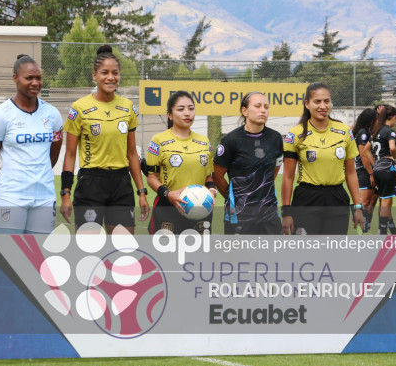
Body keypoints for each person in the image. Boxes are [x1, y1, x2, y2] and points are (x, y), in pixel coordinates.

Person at [60, 45, 149, 233]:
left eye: (115, 73)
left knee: (123, 249)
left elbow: (132, 153)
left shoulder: (127, 107)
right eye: (105, 72)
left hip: (121, 184)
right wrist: (65, 193)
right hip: (91, 183)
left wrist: (141, 191)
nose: (110, 77)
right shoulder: (80, 107)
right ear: (94, 75)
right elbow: (69, 154)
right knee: (88, 249)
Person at [0, 55, 63, 234]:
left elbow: (54, 152)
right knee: (10, 256)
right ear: (15, 78)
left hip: (44, 198)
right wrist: (7, 184)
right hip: (10, 199)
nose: (35, 83)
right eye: (29, 78)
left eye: (39, 78)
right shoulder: (1, 115)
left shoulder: (52, 114)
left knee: (37, 258)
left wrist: (39, 176)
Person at [281, 83, 363, 235]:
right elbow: (288, 176)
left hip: (337, 198)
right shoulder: (295, 134)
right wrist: (286, 212)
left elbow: (351, 173)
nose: (323, 106)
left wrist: (358, 206)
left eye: (326, 101)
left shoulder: (344, 131)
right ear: (307, 104)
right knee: (307, 253)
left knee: (334, 253)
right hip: (307, 199)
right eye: (317, 101)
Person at [213, 91, 284, 234]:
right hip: (239, 216)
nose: (263, 110)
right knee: (241, 257)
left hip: (269, 213)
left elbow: (273, 172)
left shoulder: (275, 138)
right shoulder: (231, 140)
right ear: (244, 110)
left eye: (266, 106)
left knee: (272, 255)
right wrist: (234, 197)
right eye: (257, 106)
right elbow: (217, 175)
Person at [146, 91, 215, 234]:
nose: (187, 113)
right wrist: (168, 194)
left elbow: (209, 177)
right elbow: (152, 177)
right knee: (165, 254)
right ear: (169, 114)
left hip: (200, 210)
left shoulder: (204, 142)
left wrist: (212, 191)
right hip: (167, 208)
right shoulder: (158, 140)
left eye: (191, 108)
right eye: (180, 109)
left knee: (198, 254)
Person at [371, 105, 396, 235]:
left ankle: (391, 231)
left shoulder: (376, 131)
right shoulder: (389, 131)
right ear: (393, 118)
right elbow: (392, 148)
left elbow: (366, 150)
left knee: (385, 198)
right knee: (386, 201)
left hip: (377, 169)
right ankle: (382, 232)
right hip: (387, 168)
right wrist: (394, 159)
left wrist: (375, 162)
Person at [352, 107, 379, 233]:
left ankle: (364, 229)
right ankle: (359, 230)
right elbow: (363, 154)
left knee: (369, 201)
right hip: (363, 170)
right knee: (364, 201)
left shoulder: (369, 131)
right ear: (370, 120)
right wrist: (370, 173)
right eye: (376, 119)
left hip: (369, 170)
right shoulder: (363, 133)